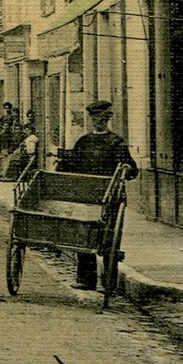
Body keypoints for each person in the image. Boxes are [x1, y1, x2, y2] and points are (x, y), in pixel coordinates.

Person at [59, 99, 140, 290]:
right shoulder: (83, 142)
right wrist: (61, 161)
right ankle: (86, 279)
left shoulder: (117, 143)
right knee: (84, 234)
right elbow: (71, 165)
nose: (99, 120)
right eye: (95, 116)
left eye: (103, 117)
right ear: (91, 118)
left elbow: (132, 170)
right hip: (86, 197)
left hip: (109, 198)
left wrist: (127, 168)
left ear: (108, 118)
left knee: (108, 239)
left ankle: (108, 282)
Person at [0, 102, 22, 181]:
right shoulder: (3, 117)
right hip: (4, 144)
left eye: (8, 108)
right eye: (6, 108)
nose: (7, 110)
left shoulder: (13, 118)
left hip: (10, 148)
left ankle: (4, 175)